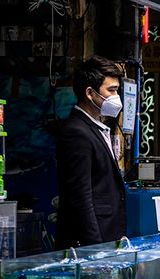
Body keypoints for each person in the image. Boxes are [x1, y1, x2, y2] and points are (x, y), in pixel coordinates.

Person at [56, 55, 126, 248]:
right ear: (90, 92)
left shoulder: (99, 127)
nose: (116, 97)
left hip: (108, 237)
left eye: (117, 90)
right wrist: (95, 249)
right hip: (91, 244)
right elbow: (80, 197)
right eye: (111, 90)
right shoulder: (76, 132)